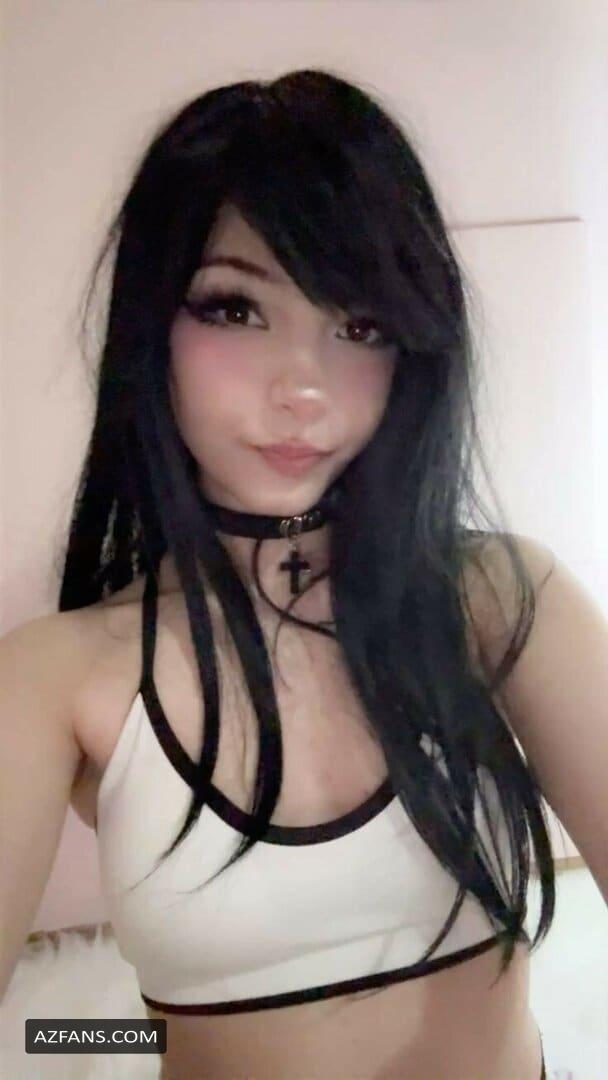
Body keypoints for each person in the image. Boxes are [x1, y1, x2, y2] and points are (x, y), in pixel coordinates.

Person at [1, 67, 607, 1080]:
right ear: (152, 321)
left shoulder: (497, 598)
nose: (304, 387)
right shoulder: (58, 678)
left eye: (360, 326)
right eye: (235, 308)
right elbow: (97, 1032)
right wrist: (84, 1038)